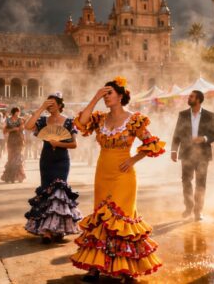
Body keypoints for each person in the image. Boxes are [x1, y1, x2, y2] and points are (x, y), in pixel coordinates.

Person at [71, 77, 165, 282]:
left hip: (124, 175)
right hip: (102, 173)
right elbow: (80, 123)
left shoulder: (134, 119)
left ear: (120, 96)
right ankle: (95, 267)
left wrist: (133, 159)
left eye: (109, 94)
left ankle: (126, 269)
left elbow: (153, 143)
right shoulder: (99, 119)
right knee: (102, 218)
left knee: (121, 220)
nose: (106, 98)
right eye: (104, 94)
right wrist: (95, 97)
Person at [23, 94, 83, 243]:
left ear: (60, 105)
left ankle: (56, 229)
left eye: (52, 103)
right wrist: (41, 108)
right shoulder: (43, 120)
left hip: (62, 161)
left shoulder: (69, 122)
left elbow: (74, 144)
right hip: (46, 160)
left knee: (59, 192)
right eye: (48, 104)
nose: (50, 106)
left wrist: (59, 144)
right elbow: (28, 126)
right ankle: (47, 231)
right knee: (47, 191)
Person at [170, 90, 214, 221]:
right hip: (186, 153)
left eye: (191, 96)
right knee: (186, 181)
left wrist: (204, 138)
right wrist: (173, 150)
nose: (189, 98)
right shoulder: (183, 114)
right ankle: (188, 206)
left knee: (201, 183)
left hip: (203, 154)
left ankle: (198, 211)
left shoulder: (209, 115)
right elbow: (177, 134)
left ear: (198, 100)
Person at [1, 107, 26, 183]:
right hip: (11, 141)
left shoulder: (21, 120)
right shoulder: (8, 120)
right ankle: (10, 176)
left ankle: (18, 176)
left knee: (18, 158)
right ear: (14, 112)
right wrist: (13, 129)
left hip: (19, 140)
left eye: (19, 112)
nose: (19, 113)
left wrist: (20, 129)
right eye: (18, 112)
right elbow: (4, 131)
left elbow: (22, 129)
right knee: (11, 158)